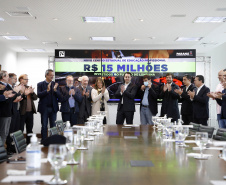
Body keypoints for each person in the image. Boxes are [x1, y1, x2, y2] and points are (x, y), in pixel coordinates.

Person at [37, 69, 60, 141]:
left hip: (53, 108)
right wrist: (47, 90)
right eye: (51, 75)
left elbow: (59, 97)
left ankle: (52, 140)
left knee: (53, 126)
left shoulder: (55, 84)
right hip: (44, 108)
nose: (52, 77)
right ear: (46, 75)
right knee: (44, 126)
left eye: (53, 75)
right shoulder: (40, 84)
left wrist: (55, 90)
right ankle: (44, 141)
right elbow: (39, 95)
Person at [0, 71, 22, 145]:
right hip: (3, 112)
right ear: (3, 77)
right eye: (7, 76)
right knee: (3, 133)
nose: (8, 77)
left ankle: (3, 151)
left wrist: (18, 94)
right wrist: (15, 92)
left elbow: (10, 98)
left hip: (9, 112)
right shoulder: (1, 86)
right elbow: (6, 99)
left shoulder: (6, 86)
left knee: (6, 133)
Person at [19, 74, 37, 144]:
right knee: (20, 129)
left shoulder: (28, 87)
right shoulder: (18, 88)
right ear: (21, 80)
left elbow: (35, 98)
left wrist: (32, 92)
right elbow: (18, 99)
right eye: (25, 79)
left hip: (30, 112)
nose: (27, 81)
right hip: (22, 112)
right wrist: (25, 94)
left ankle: (29, 143)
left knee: (30, 129)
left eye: (27, 79)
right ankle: (20, 145)